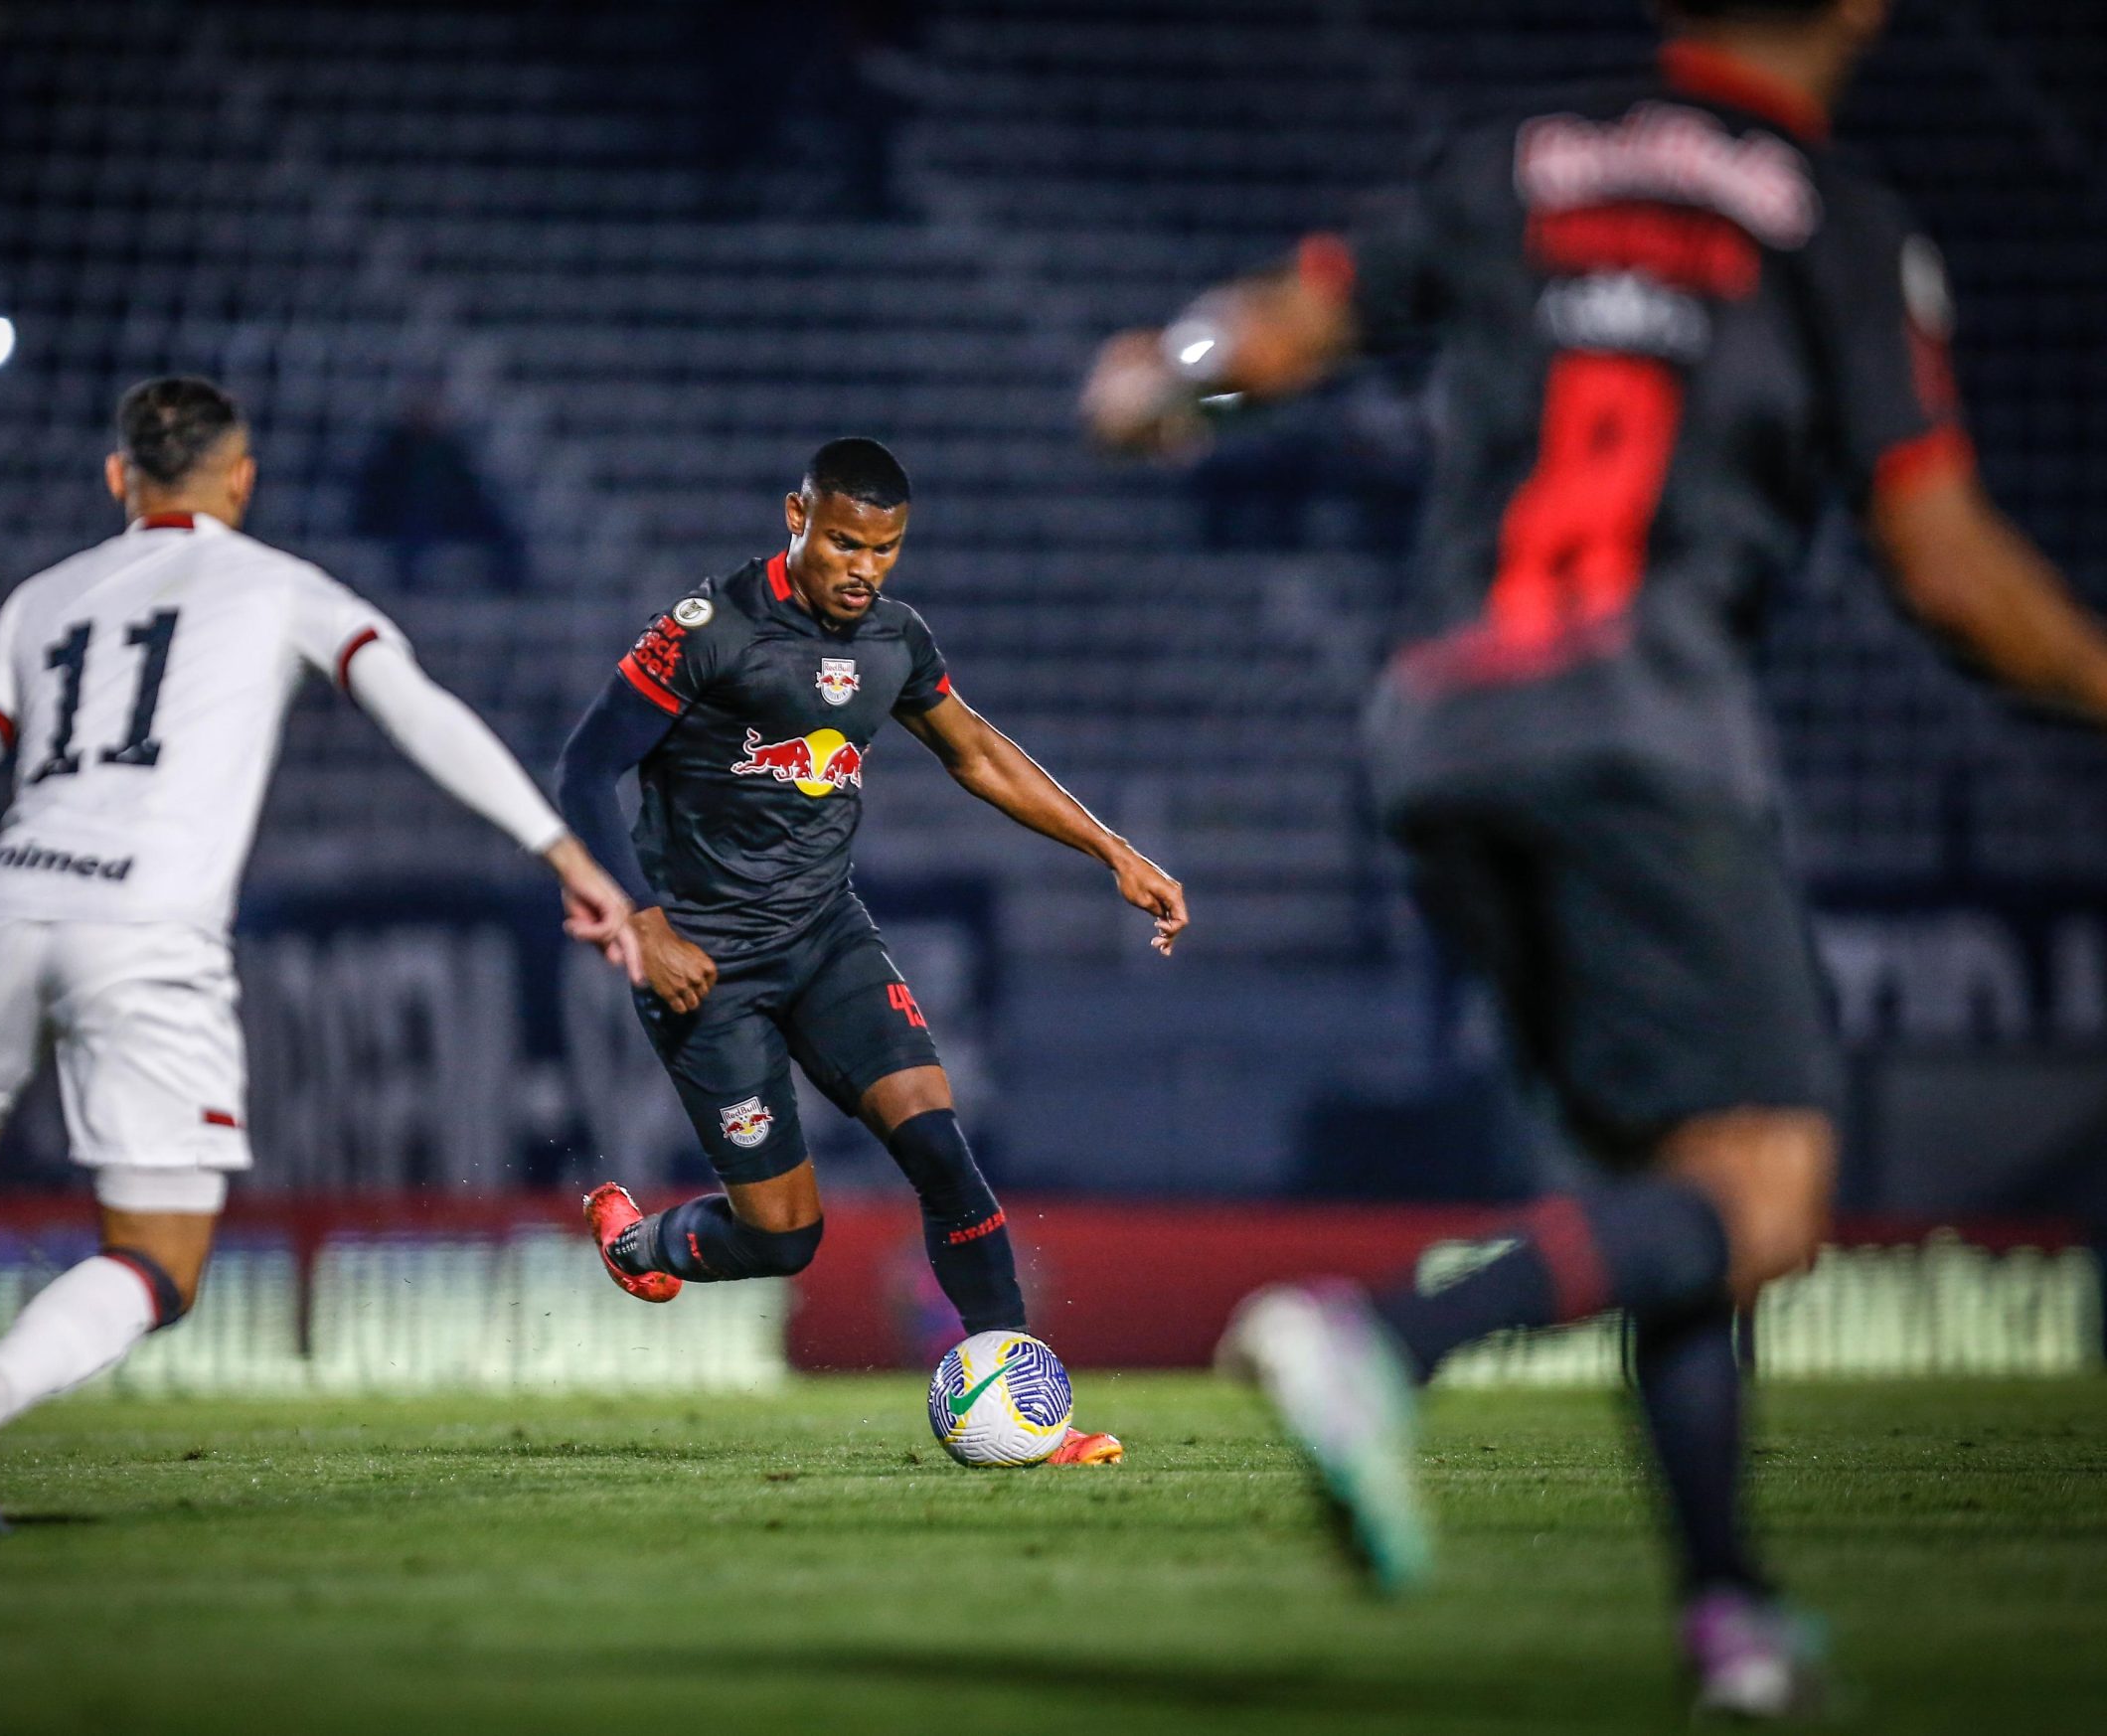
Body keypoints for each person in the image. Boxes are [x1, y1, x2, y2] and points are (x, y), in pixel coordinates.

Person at [1082, 0, 2107, 1716]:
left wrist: (1164, 378)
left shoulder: (1518, 161)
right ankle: (1383, 1339)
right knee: (1762, 1197)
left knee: (1673, 1187)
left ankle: (1734, 1619)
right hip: (1640, 731)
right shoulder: (1837, 225)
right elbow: (1939, 557)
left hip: (1440, 734)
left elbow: (1275, 328)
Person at [0, 377, 641, 1533]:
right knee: (160, 1257)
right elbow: (413, 706)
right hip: (150, 929)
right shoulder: (277, 586)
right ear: (242, 477)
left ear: (119, 477)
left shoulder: (41, 601)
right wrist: (561, 848)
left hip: (7, 908)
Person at [555, 437, 1188, 1467]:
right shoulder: (707, 629)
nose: (863, 567)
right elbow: (585, 767)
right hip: (705, 963)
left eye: (885, 550)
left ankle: (1031, 1413)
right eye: (844, 541)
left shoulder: (895, 640)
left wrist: (1110, 848)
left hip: (826, 938)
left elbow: (974, 749)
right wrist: (638, 919)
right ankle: (640, 1245)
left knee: (938, 1146)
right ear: (794, 515)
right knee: (782, 1234)